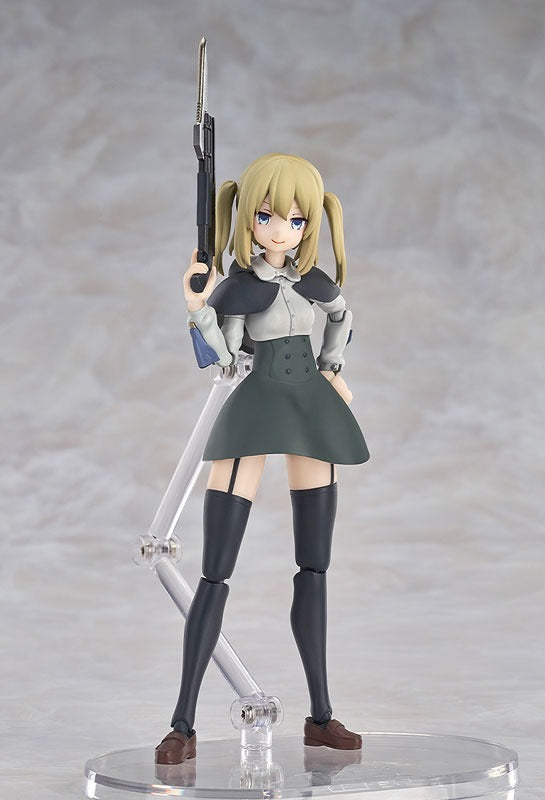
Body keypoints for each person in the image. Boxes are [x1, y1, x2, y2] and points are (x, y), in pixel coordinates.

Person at [155, 153, 369, 765]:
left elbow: (340, 313)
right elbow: (221, 359)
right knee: (215, 571)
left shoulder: (313, 282)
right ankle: (182, 723)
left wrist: (332, 366)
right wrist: (198, 308)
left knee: (315, 566)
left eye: (297, 220)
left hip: (310, 408)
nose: (282, 231)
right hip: (255, 404)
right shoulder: (240, 288)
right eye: (269, 217)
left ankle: (321, 716)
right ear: (249, 216)